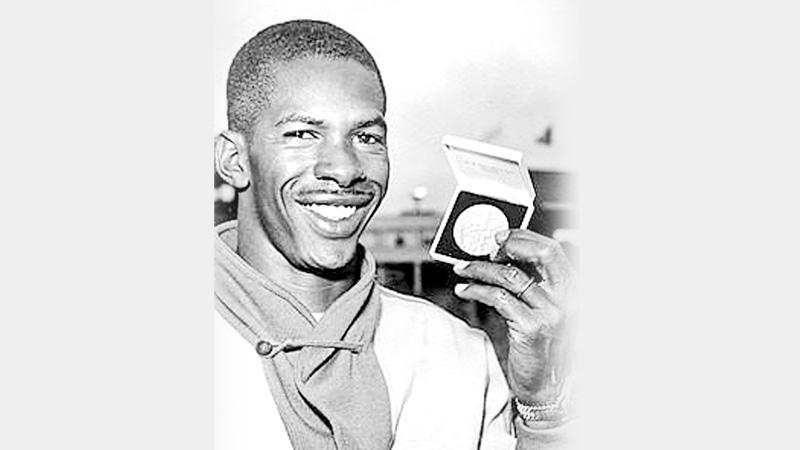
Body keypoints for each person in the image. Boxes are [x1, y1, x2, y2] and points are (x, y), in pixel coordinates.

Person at [214, 19, 576, 450]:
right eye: (302, 134)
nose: (346, 169)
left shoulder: (459, 351)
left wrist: (545, 410)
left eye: (366, 137)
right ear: (234, 160)